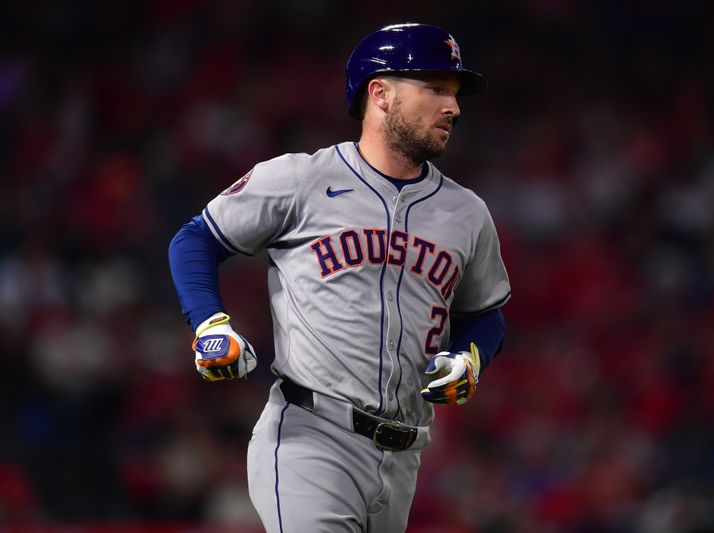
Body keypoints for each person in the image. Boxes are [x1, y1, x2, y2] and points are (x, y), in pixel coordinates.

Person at [168, 22, 510, 532]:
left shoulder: (467, 212)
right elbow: (195, 240)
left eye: (454, 93)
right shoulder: (302, 179)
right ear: (381, 94)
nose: (453, 107)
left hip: (405, 455)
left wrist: (470, 357)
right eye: (435, 88)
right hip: (312, 438)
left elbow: (484, 313)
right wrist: (210, 323)